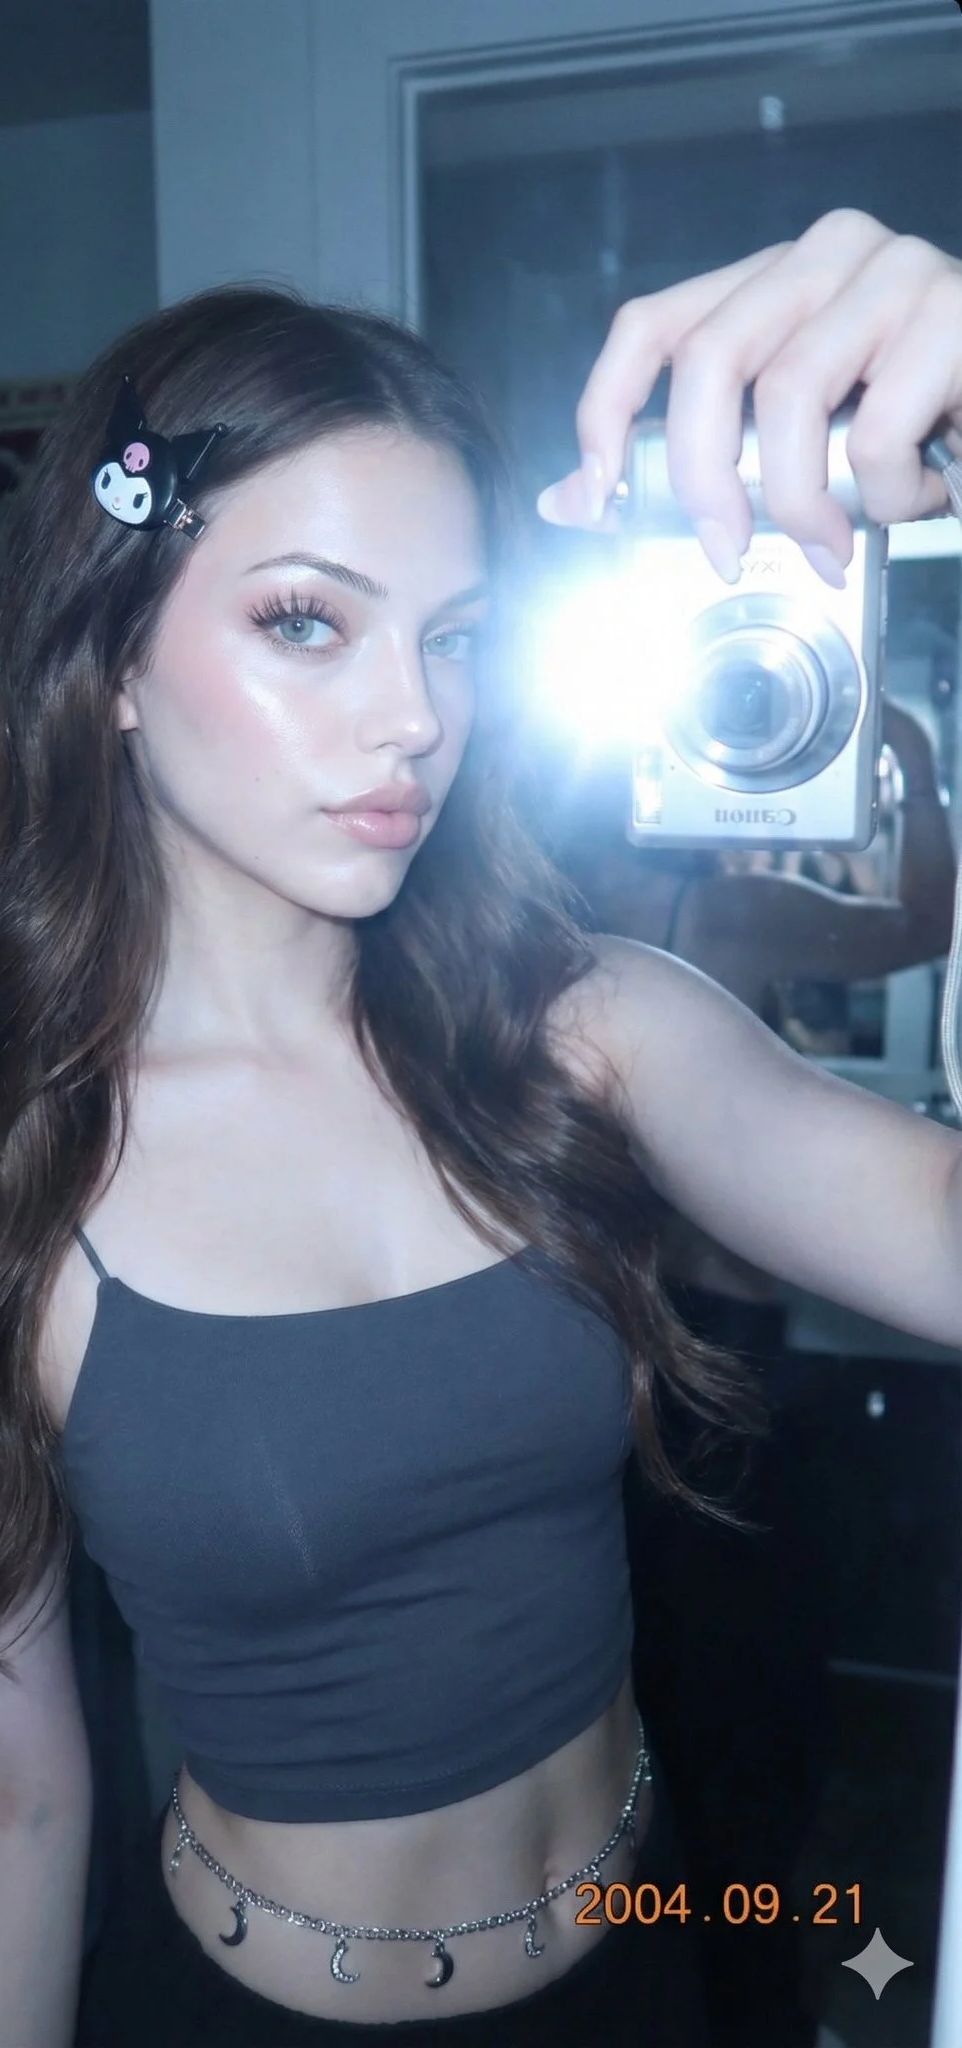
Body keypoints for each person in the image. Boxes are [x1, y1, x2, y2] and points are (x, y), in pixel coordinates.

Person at [0, 208, 962, 2048]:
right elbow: (5, 1792)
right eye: (308, 622)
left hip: (650, 1967)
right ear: (112, 663)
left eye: (457, 638)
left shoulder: (582, 1033)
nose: (416, 717)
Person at [542, 699, 956, 2044]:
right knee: (754, 1711)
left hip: (584, 1351)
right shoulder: (710, 920)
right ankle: (752, 2002)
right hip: (721, 1360)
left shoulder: (519, 940)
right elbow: (921, 923)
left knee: (638, 1701)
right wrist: (910, 760)